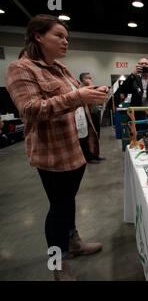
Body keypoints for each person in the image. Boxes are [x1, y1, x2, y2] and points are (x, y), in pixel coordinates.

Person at [5, 14, 107, 280]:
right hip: (53, 151)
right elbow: (29, 110)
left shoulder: (60, 68)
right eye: (59, 36)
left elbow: (73, 99)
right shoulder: (21, 68)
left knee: (67, 201)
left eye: (67, 38)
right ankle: (58, 263)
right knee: (58, 206)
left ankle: (73, 241)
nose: (65, 42)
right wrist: (78, 96)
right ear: (38, 36)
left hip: (77, 144)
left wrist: (91, 93)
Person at [79, 72, 106, 162]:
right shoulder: (82, 89)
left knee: (96, 135)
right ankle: (88, 157)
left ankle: (95, 154)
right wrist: (92, 86)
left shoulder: (91, 88)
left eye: (91, 78)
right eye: (88, 78)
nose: (90, 80)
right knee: (87, 137)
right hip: (86, 116)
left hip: (94, 114)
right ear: (82, 80)